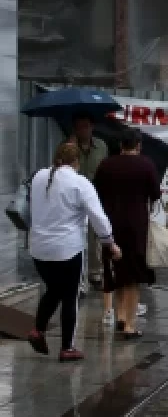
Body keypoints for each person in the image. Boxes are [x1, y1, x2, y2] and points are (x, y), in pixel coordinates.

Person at [27, 143, 121, 362]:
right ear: (76, 161)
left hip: (39, 248)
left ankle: (38, 330)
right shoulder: (80, 183)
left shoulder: (38, 177)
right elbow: (98, 218)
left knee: (54, 290)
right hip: (67, 250)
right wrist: (109, 242)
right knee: (70, 296)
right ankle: (67, 347)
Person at [93, 128, 160, 339]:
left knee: (116, 271)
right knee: (133, 275)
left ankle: (120, 316)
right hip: (136, 225)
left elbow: (96, 192)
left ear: (120, 145)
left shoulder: (106, 165)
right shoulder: (146, 165)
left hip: (110, 224)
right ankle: (130, 325)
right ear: (138, 145)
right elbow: (155, 194)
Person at [68, 114, 109, 289]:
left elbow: (106, 169)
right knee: (75, 235)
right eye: (79, 127)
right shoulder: (67, 146)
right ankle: (78, 276)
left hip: (95, 195)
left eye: (86, 126)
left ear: (92, 127)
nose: (83, 130)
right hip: (72, 197)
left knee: (94, 235)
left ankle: (95, 273)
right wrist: (71, 148)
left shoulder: (101, 146)